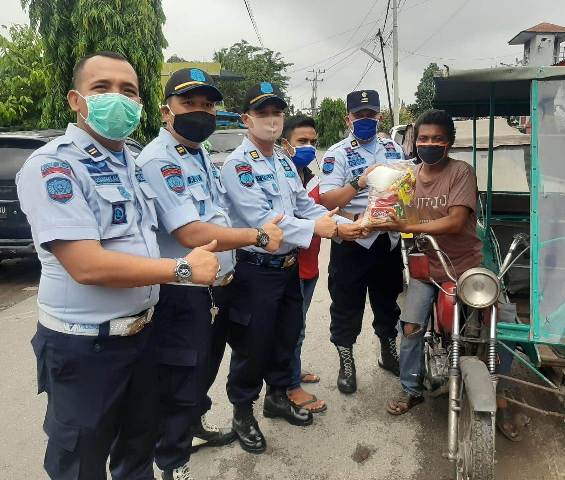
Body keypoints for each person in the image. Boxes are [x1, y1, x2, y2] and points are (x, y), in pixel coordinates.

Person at [16, 52, 220, 480]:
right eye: (102, 88)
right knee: (82, 463)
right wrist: (181, 270)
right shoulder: (54, 165)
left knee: (137, 450)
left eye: (128, 91)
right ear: (76, 99)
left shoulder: (131, 162)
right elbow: (86, 266)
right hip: (84, 347)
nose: (118, 98)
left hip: (143, 336)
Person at [135, 68, 284, 479]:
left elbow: (214, 213)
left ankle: (193, 427)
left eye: (208, 104)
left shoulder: (197, 152)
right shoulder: (160, 160)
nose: (201, 112)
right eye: (190, 104)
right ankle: (173, 462)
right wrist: (256, 235)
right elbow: (190, 232)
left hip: (212, 287)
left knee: (201, 369)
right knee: (179, 378)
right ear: (167, 112)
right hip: (179, 290)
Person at [220, 82, 361, 454]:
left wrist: (342, 226)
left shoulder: (283, 160)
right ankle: (242, 411)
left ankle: (278, 396)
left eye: (277, 113)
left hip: (287, 266)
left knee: (285, 334)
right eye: (263, 113)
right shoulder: (239, 165)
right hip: (254, 268)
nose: (271, 120)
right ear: (246, 119)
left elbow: (304, 205)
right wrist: (316, 228)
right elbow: (261, 219)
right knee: (253, 345)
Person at [367, 109, 484, 415]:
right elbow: (400, 212)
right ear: (414, 141)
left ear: (450, 142)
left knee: (495, 322)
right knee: (410, 327)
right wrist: (377, 215)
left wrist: (408, 227)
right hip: (425, 268)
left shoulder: (461, 172)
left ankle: (498, 391)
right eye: (423, 138)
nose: (429, 144)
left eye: (438, 139)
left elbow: (456, 221)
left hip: (464, 266)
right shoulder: (408, 177)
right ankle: (410, 389)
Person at [319, 89, 405, 395]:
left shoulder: (394, 149)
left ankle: (388, 351)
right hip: (352, 240)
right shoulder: (337, 154)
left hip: (386, 241)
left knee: (387, 301)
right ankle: (346, 360)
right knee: (345, 304)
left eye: (371, 114)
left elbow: (407, 190)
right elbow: (327, 199)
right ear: (348, 119)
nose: (366, 119)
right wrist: (361, 181)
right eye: (360, 115)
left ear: (379, 116)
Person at [280, 115, 326, 414]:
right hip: (288, 264)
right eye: (302, 142)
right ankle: (289, 386)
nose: (308, 147)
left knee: (299, 325)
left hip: (309, 263)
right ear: (286, 145)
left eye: (312, 142)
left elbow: (321, 211)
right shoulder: (280, 176)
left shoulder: (310, 176)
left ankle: (291, 372)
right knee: (290, 327)